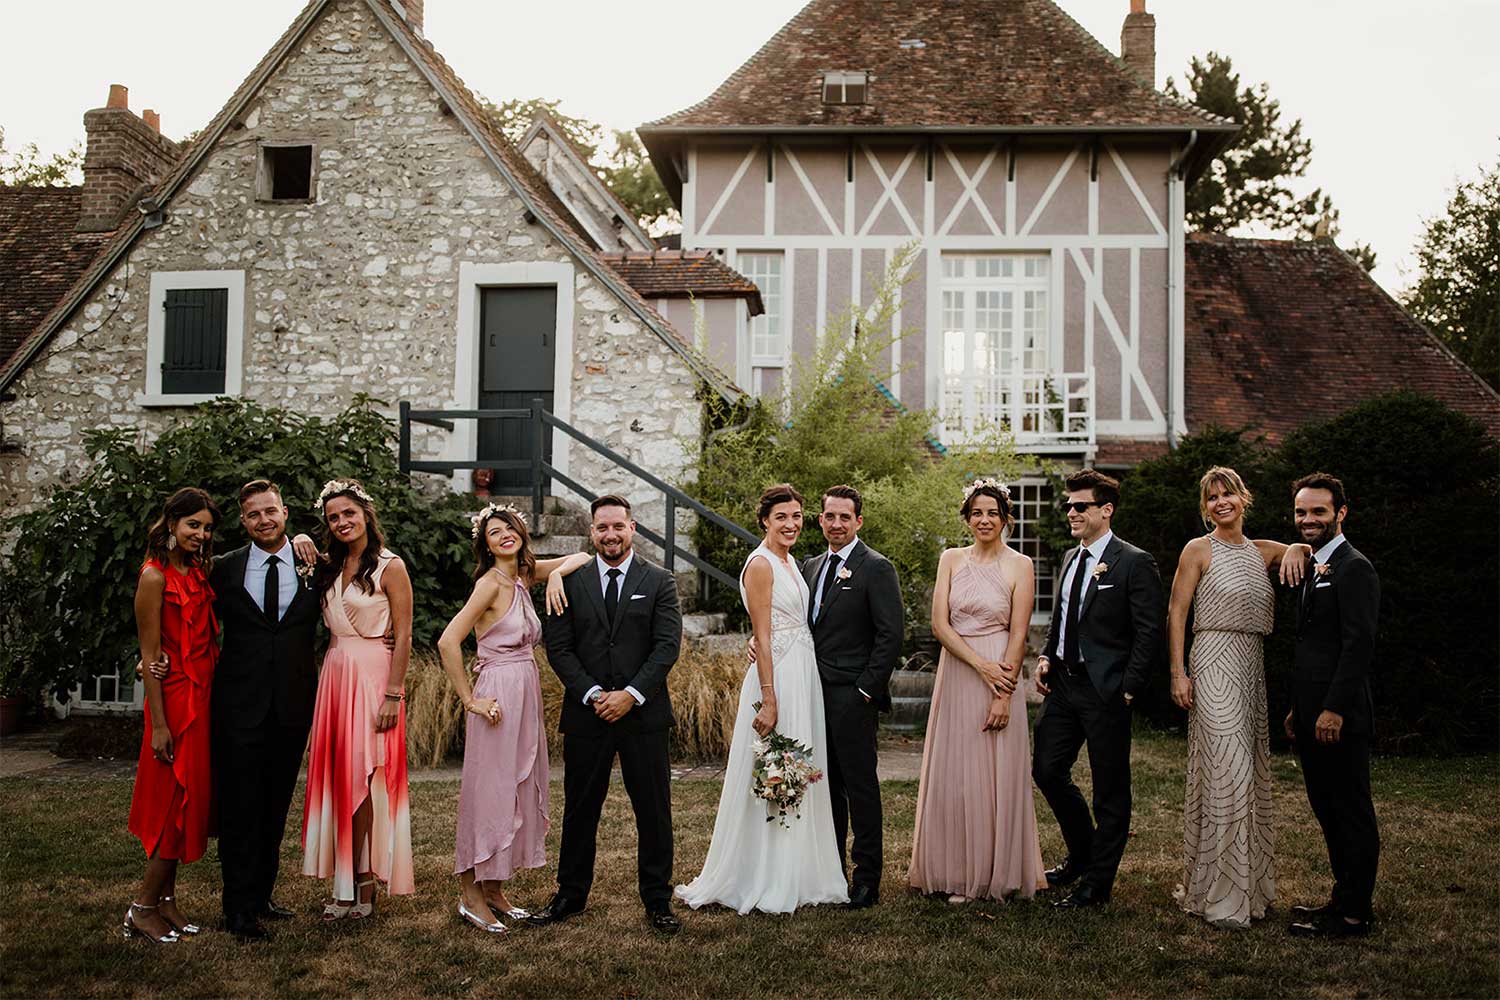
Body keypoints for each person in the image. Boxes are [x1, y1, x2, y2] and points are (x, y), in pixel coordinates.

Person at [676, 484, 849, 914]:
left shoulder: (792, 562)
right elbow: (764, 635)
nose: (790, 524)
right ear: (764, 521)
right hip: (778, 678)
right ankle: (768, 874)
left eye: (796, 516)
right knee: (777, 769)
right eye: (781, 517)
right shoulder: (760, 564)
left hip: (803, 674)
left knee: (800, 770)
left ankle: (801, 870)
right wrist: (769, 699)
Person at [528, 495, 684, 935]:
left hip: (644, 715)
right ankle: (570, 895)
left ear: (632, 528)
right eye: (602, 528)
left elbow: (666, 646)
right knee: (580, 810)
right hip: (588, 714)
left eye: (618, 526)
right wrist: (595, 694)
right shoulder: (569, 582)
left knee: (654, 811)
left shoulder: (660, 580)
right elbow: (559, 648)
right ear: (591, 531)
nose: (610, 535)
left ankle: (658, 900)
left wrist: (630, 695)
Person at [1166, 466, 1309, 930]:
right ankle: (1222, 897)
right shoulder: (1197, 549)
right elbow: (1177, 612)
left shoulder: (1263, 551)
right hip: (1211, 660)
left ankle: (1246, 890)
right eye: (1212, 498)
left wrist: (1299, 548)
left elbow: (1305, 550)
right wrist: (1178, 673)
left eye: (1228, 494)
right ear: (1205, 507)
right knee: (1231, 771)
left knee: (1250, 775)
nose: (1221, 502)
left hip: (1251, 664)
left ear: (1244, 498)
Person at [438, 503, 589, 934]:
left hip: (526, 689)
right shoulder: (489, 584)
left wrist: (555, 575)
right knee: (490, 790)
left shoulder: (524, 575)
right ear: (486, 546)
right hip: (499, 694)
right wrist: (470, 700)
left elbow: (583, 557)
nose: (504, 535)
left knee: (517, 787)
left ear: (521, 532)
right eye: (494, 532)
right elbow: (448, 641)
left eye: (510, 528)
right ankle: (470, 894)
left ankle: (494, 889)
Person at [1032, 469, 1163, 910]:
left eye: (1080, 505)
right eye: (1068, 505)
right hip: (1063, 685)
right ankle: (1084, 854)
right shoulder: (1072, 557)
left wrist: (1128, 689)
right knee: (1047, 770)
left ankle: (1097, 883)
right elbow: (1062, 617)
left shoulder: (1134, 561)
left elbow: (1148, 631)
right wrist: (1047, 655)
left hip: (1106, 690)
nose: (1071, 512)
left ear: (1106, 510)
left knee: (1110, 789)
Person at [909, 478, 1045, 903]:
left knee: (993, 773)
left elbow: (1019, 634)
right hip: (958, 671)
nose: (984, 520)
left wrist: (1003, 692)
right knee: (955, 774)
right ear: (967, 518)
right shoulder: (950, 558)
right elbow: (940, 625)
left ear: (1005, 519)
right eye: (977, 513)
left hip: (1001, 672)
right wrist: (978, 664)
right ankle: (955, 871)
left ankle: (995, 872)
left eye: (992, 513)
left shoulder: (1020, 565)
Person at [204, 480, 323, 941]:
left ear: (285, 512)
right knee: (240, 808)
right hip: (238, 707)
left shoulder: (314, 564)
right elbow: (189, 614)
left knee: (275, 806)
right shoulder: (224, 568)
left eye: (270, 511)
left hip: (292, 706)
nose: (264, 520)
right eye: (253, 514)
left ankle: (261, 897)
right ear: (243, 521)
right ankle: (237, 909)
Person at [301, 479, 415, 918]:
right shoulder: (328, 565)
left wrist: (393, 695)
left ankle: (362, 882)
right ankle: (344, 881)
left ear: (366, 513)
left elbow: (404, 634)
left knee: (363, 778)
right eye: (333, 517)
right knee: (338, 777)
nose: (342, 522)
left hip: (373, 679)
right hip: (335, 675)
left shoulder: (390, 566)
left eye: (349, 513)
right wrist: (300, 537)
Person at [1283, 473, 1381, 938]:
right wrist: (1298, 708)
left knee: (1351, 811)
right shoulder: (1314, 564)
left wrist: (1334, 709)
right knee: (1327, 810)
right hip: (1310, 713)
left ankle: (1355, 914)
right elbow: (1312, 646)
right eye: (1301, 512)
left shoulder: (1353, 567)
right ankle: (1342, 899)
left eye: (1318, 511)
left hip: (1339, 717)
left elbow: (1358, 645)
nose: (1308, 519)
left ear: (1340, 513)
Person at [124, 487, 221, 944]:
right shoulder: (153, 577)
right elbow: (149, 656)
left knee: (187, 804)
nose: (200, 534)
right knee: (171, 804)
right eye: (192, 525)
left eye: (206, 527)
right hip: (173, 703)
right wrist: (159, 725)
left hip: (201, 699)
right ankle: (141, 908)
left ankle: (167, 902)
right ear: (171, 524)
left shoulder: (197, 570)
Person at [800, 484, 903, 909]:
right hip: (811, 693)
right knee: (824, 788)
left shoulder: (875, 567)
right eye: (830, 516)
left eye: (845, 517)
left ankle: (866, 878)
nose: (837, 524)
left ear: (858, 521)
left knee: (860, 788)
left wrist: (865, 690)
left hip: (853, 696)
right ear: (820, 520)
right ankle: (832, 874)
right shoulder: (809, 566)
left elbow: (890, 635)